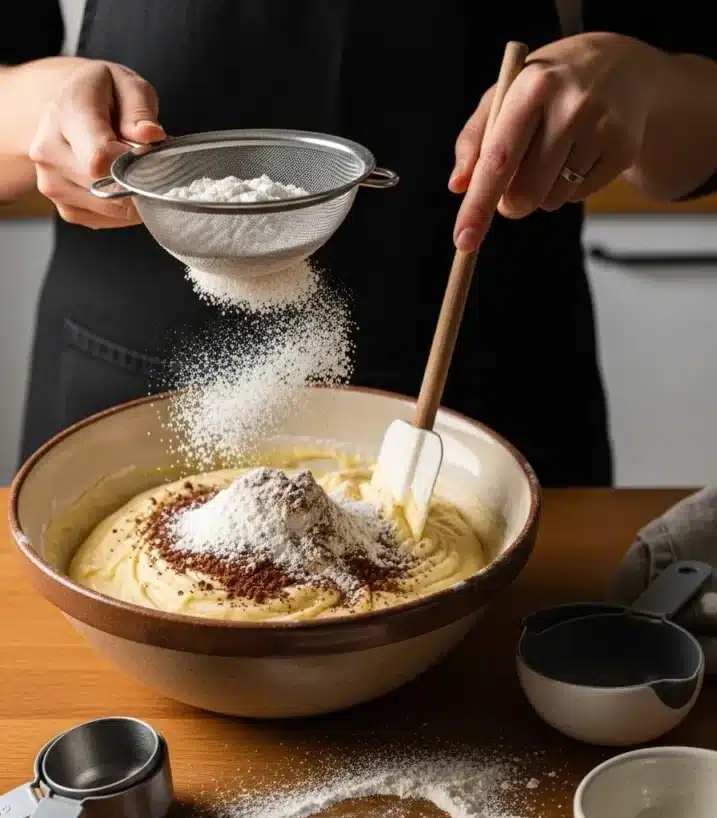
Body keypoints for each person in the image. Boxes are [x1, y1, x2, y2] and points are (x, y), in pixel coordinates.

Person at [2, 3, 717, 486]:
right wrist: (46, 110)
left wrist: (640, 80)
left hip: (491, 382)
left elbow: (696, 138)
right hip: (127, 384)